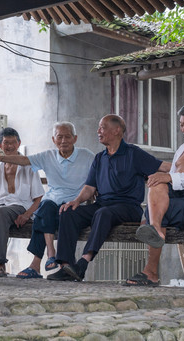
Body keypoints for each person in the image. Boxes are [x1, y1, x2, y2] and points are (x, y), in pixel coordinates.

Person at [49, 114, 162, 282]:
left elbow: (161, 167)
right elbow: (89, 187)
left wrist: (182, 170)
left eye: (102, 127)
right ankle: (66, 266)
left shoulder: (134, 153)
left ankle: (83, 263)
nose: (98, 131)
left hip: (128, 207)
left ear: (117, 130)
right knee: (68, 212)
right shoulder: (99, 158)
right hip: (102, 204)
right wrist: (77, 201)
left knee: (103, 213)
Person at [127, 102, 184, 286]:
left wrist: (169, 177)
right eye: (181, 124)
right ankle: (155, 227)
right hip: (179, 195)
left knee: (162, 206)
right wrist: (164, 178)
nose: (183, 129)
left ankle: (151, 271)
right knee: (156, 182)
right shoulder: (183, 147)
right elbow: (171, 178)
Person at [0, 121, 93, 279]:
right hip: (52, 201)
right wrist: (1, 158)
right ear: (53, 139)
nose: (63, 140)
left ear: (75, 138)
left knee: (46, 215)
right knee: (44, 208)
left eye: (68, 137)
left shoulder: (86, 156)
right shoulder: (48, 156)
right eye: (59, 137)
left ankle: (37, 263)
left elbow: (97, 175)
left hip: (74, 202)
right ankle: (49, 255)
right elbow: (25, 160)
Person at [0, 127, 44, 277]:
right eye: (5, 143)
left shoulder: (28, 165)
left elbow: (38, 197)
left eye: (12, 143)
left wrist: (27, 215)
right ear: (0, 145)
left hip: (22, 206)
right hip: (2, 204)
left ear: (19, 143)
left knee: (1, 212)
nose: (9, 146)